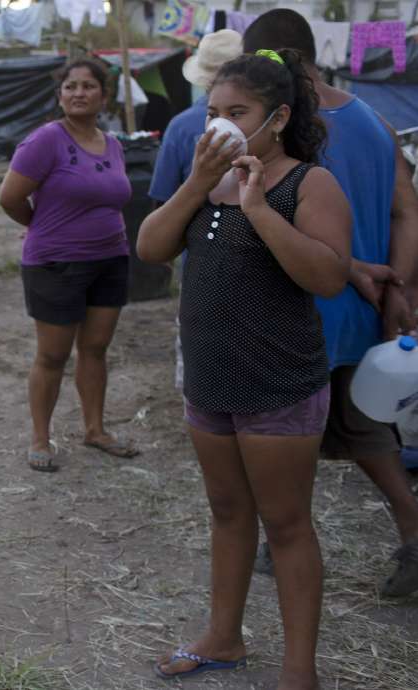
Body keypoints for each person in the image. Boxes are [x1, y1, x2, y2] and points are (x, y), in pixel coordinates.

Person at [137, 50, 351, 687]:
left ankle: (299, 671)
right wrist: (196, 183)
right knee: (228, 512)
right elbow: (149, 248)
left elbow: (328, 276)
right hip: (210, 381)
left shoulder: (307, 183)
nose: (221, 125)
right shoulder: (206, 182)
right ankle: (224, 638)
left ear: (277, 118)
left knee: (285, 525)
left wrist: (258, 209)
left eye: (238, 112)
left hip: (278, 384)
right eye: (213, 113)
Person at [243, 8, 418, 600]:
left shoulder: (287, 127)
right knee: (362, 427)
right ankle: (411, 528)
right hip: (362, 309)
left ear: (265, 60)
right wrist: (398, 287)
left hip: (299, 303)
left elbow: (284, 219)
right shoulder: (375, 120)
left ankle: (281, 539)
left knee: (283, 430)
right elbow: (407, 211)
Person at [0, 59, 139, 473]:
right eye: (70, 86)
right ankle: (41, 438)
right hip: (56, 263)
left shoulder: (113, 145)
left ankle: (95, 430)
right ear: (59, 96)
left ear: (104, 96)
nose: (79, 93)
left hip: (110, 259)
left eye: (88, 86)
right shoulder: (46, 140)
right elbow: (9, 197)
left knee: (95, 349)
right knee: (53, 355)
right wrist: (40, 226)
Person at [150, 30, 244, 391]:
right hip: (266, 263)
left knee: (203, 374)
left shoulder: (181, 127)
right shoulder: (271, 124)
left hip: (201, 265)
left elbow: (161, 203)